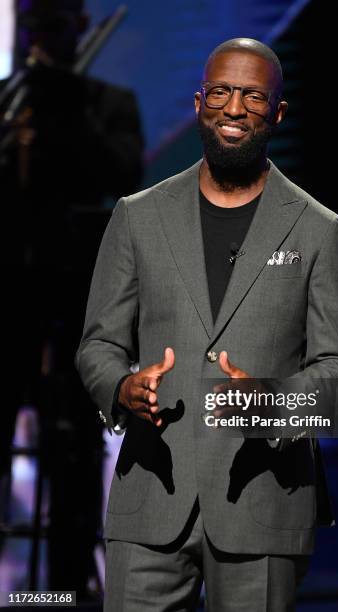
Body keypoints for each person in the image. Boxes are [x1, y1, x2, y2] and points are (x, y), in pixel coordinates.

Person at [76, 38, 338, 611]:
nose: (234, 109)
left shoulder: (319, 231)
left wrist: (274, 404)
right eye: (222, 93)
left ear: (277, 112)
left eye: (253, 97)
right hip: (151, 495)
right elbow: (99, 344)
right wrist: (122, 387)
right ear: (199, 100)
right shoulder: (138, 216)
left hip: (264, 503)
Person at [0, 0, 144, 598]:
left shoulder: (106, 104)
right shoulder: (6, 100)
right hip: (8, 297)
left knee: (75, 450)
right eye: (34, 21)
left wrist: (64, 118)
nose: (43, 34)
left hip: (75, 301)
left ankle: (65, 588)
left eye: (55, 20)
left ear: (80, 25)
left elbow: (123, 178)